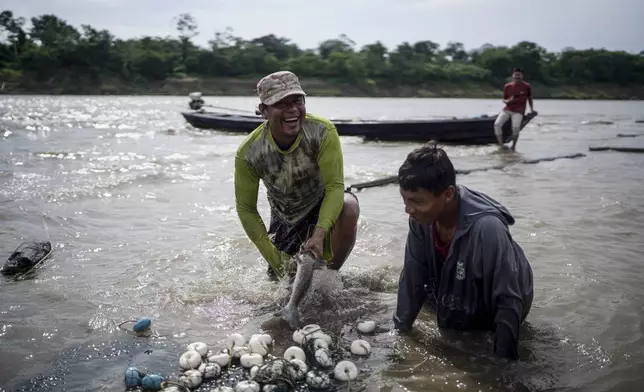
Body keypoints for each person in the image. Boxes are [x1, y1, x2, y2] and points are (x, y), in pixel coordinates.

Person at [392, 141, 534, 360]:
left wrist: (503, 366)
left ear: (448, 194)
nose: (408, 210)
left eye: (417, 201)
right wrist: (400, 332)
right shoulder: (420, 219)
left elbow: (508, 300)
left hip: (496, 296)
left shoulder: (488, 228)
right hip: (457, 287)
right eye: (405, 199)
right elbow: (413, 278)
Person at [234, 70, 360, 280]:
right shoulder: (249, 152)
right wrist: (275, 258)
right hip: (286, 217)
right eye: (282, 104)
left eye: (297, 101)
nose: (292, 110)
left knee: (350, 207)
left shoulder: (323, 131)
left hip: (323, 204)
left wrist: (320, 233)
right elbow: (246, 209)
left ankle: (330, 277)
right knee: (282, 281)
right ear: (263, 110)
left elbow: (335, 187)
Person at [494, 68, 537, 150]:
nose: (517, 76)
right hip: (507, 109)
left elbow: (530, 98)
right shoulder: (507, 86)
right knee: (497, 124)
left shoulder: (527, 86)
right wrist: (508, 101)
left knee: (516, 128)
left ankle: (513, 146)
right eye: (516, 75)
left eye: (519, 75)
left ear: (522, 76)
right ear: (512, 76)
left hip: (519, 111)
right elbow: (504, 100)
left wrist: (532, 109)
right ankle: (501, 145)